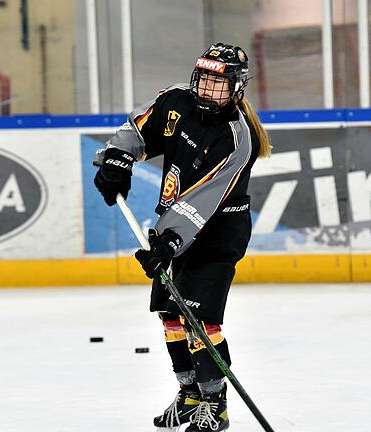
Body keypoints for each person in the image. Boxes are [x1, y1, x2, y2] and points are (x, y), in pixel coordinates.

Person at [93, 43, 271, 431]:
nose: (207, 90)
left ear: (237, 88)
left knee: (200, 321)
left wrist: (166, 241)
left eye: (218, 84)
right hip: (176, 224)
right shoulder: (177, 101)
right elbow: (136, 130)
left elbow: (202, 202)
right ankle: (190, 396)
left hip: (216, 232)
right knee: (171, 314)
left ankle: (215, 404)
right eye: (204, 80)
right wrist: (116, 160)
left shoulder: (238, 140)